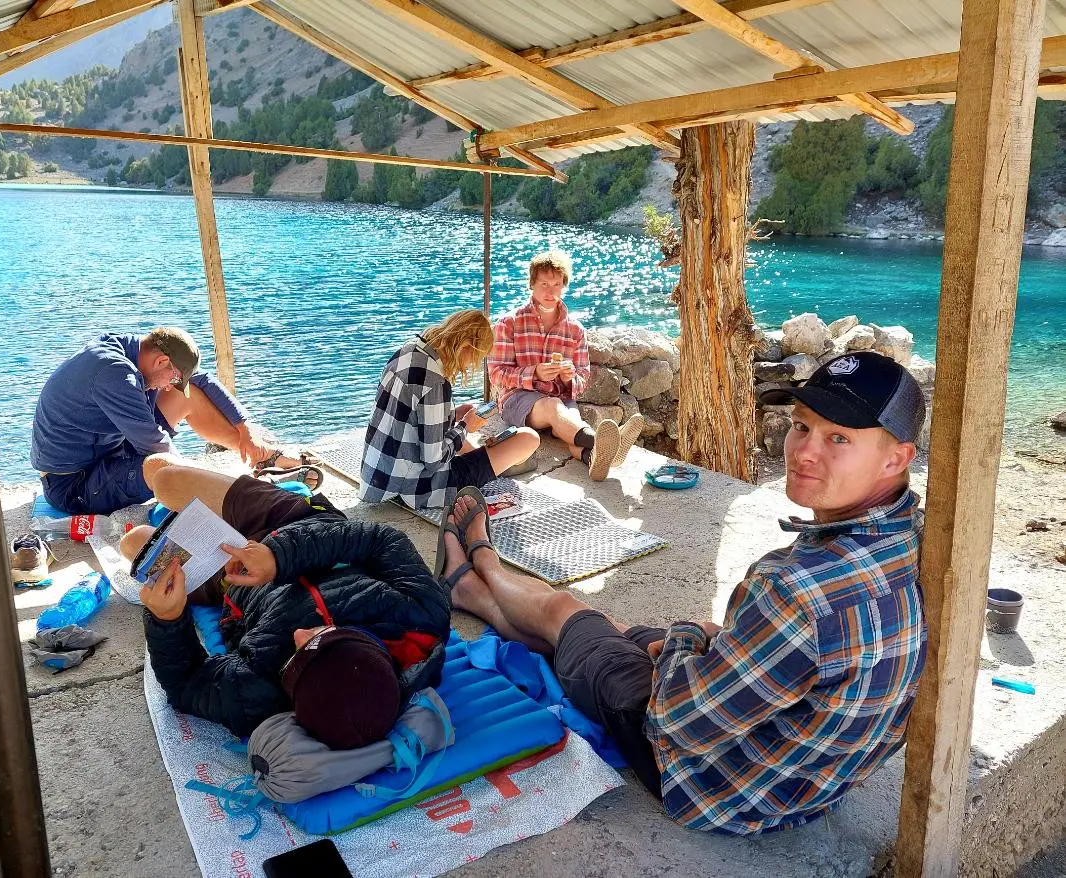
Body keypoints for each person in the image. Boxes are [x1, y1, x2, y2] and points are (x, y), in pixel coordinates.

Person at [447, 351, 929, 834]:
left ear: (897, 457)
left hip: (709, 781)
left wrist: (688, 636)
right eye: (802, 426)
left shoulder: (796, 590)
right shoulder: (918, 539)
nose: (803, 451)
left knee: (563, 611)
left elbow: (675, 723)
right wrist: (706, 641)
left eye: (839, 438)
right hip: (801, 778)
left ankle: (481, 560)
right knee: (607, 631)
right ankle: (477, 594)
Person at [124, 464, 451, 745]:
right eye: (323, 635)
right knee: (162, 477)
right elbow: (382, 540)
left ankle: (182, 521)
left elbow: (186, 684)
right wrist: (279, 556)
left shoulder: (253, 694)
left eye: (294, 661)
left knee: (135, 543)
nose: (297, 634)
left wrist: (167, 619)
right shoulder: (422, 615)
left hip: (232, 579)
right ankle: (282, 479)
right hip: (296, 525)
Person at [31, 328, 301, 516]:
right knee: (161, 466)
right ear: (161, 361)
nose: (172, 384)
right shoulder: (114, 373)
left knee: (189, 395)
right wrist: (205, 480)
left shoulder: (134, 349)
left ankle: (262, 455)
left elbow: (201, 380)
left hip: (107, 449)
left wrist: (246, 427)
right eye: (172, 377)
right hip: (73, 483)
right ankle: (249, 496)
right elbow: (156, 447)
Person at [360, 309, 539, 509]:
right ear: (465, 347)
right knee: (528, 438)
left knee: (475, 446)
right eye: (476, 358)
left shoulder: (406, 351)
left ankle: (493, 460)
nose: (472, 365)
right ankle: (501, 465)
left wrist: (450, 416)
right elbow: (433, 460)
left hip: (379, 477)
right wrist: (464, 427)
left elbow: (410, 418)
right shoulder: (435, 382)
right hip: (418, 488)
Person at [488, 250, 641, 482]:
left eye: (556, 284)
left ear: (564, 286)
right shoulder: (509, 323)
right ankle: (604, 441)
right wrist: (534, 372)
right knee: (553, 406)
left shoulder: (575, 329)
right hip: (517, 400)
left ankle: (593, 459)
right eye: (544, 284)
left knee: (571, 429)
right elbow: (497, 374)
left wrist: (570, 377)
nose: (550, 291)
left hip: (560, 402)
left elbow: (582, 379)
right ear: (532, 284)